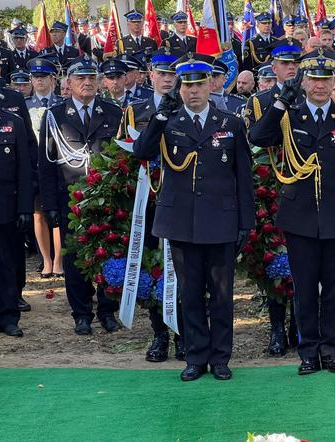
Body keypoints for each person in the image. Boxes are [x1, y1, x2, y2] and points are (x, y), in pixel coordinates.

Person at [133, 53, 255, 381]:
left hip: (221, 220)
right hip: (182, 221)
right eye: (187, 86)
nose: (194, 92)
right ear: (181, 88)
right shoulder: (168, 122)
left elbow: (243, 175)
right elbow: (141, 153)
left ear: (211, 85)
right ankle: (195, 357)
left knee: (221, 294)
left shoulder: (229, 122)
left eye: (200, 84)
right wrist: (159, 117)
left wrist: (247, 221)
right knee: (190, 294)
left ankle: (221, 358)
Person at [249, 50, 335, 375]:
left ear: (334, 81)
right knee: (303, 289)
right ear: (303, 81)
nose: (319, 86)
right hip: (300, 217)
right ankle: (307, 352)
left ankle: (330, 350)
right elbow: (257, 137)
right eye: (313, 79)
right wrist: (279, 104)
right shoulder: (290, 116)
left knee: (334, 289)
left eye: (325, 79)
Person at [38, 56, 123, 335]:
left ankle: (108, 311)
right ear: (68, 83)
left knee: (108, 255)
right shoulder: (55, 116)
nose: (86, 83)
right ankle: (82, 314)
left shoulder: (113, 113)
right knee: (76, 260)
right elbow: (47, 164)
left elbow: (122, 159)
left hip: (107, 197)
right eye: (80, 79)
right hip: (72, 199)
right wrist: (49, 205)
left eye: (91, 78)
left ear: (98, 82)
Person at [119, 48, 186, 362]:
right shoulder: (136, 110)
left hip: (182, 199)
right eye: (162, 74)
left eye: (172, 75)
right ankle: (159, 334)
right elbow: (122, 158)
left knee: (183, 268)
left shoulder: (188, 106)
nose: (167, 79)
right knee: (154, 267)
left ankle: (183, 332)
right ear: (150, 75)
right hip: (147, 202)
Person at [244, 39, 302, 357]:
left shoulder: (310, 97)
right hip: (271, 190)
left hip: (303, 187)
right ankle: (277, 327)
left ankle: (298, 326)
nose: (291, 68)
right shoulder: (260, 101)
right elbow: (254, 143)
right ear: (274, 66)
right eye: (285, 63)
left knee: (302, 260)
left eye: (295, 63)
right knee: (274, 262)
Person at [0, 62, 33, 338]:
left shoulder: (12, 122)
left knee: (5, 265)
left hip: (4, 206)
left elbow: (25, 169)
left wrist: (25, 207)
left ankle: (7, 317)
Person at [25, 57, 64, 280]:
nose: (39, 81)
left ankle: (58, 260)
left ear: (52, 79)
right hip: (34, 165)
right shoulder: (25, 104)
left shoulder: (60, 103)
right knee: (38, 213)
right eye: (35, 77)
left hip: (57, 164)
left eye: (43, 77)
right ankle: (46, 260)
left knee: (56, 213)